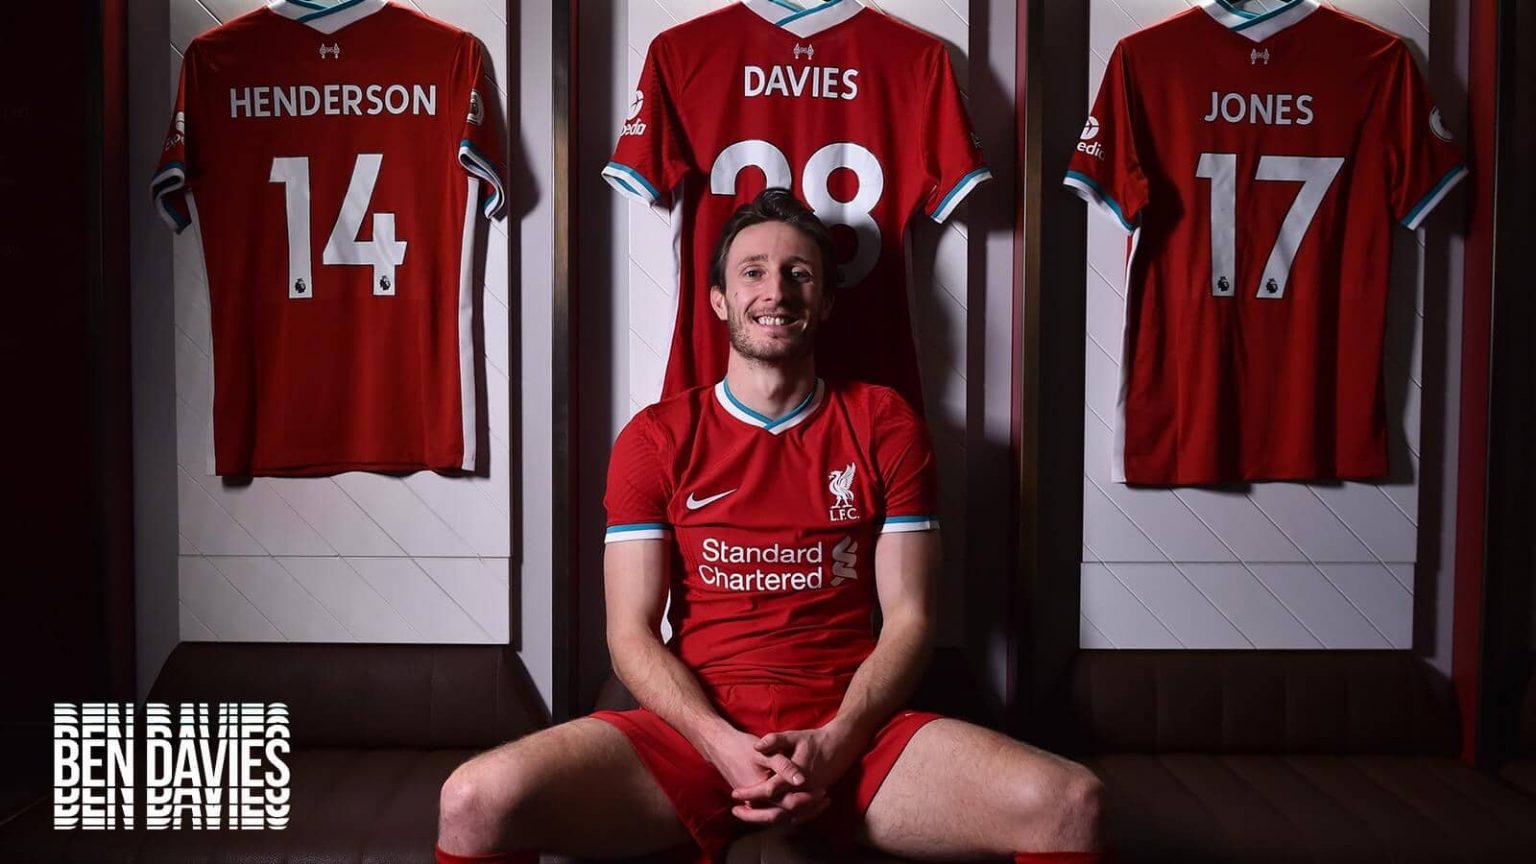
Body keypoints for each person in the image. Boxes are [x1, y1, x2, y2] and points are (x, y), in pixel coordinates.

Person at [436, 188, 1104, 864]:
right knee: (473, 801)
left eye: (798, 273)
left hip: (854, 738)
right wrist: (718, 743)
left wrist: (837, 740)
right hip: (694, 738)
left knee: (1069, 803)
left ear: (827, 301)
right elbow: (629, 634)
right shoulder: (656, 437)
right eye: (752, 271)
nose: (775, 291)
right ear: (719, 300)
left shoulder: (885, 423)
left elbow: (911, 620)